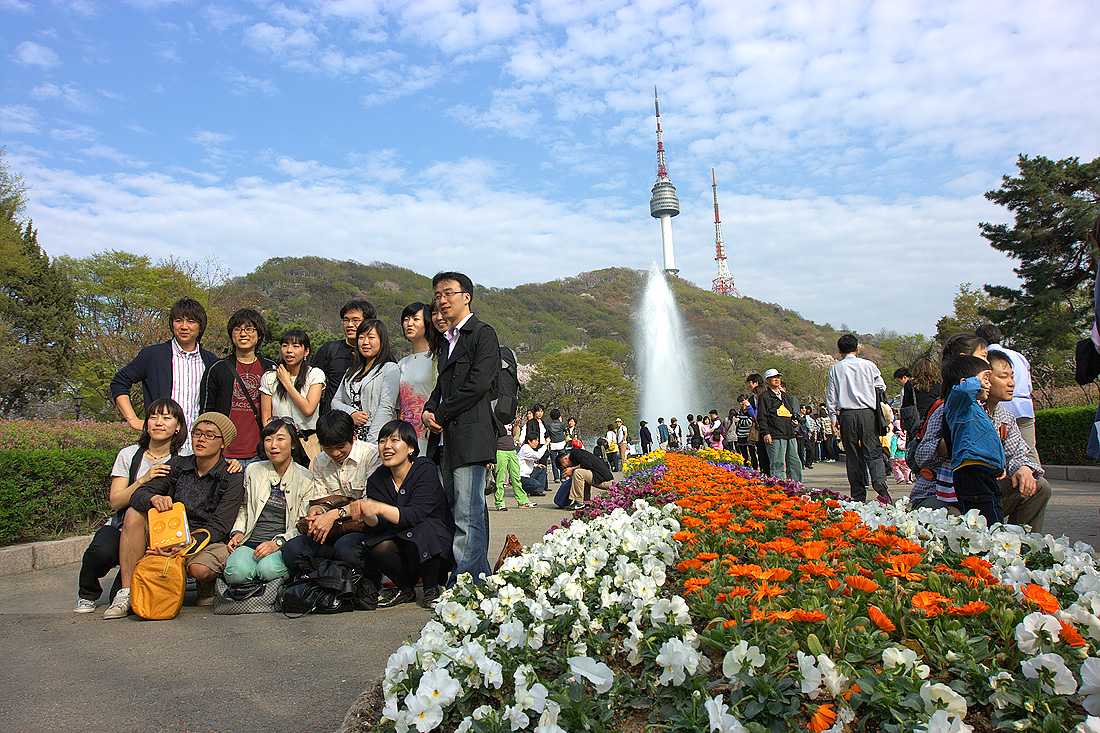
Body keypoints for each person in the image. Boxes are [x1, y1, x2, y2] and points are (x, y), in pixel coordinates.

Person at [104, 412, 245, 618]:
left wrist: (184, 545)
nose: (201, 439)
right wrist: (153, 498)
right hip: (167, 533)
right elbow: (138, 495)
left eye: (209, 435)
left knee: (199, 569)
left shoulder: (231, 475)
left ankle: (206, 585)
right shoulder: (177, 465)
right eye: (197, 433)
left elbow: (220, 525)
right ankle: (126, 592)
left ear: (223, 443)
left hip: (204, 540)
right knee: (134, 514)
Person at [422, 271, 501, 585]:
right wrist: (429, 409)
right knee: (459, 512)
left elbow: (478, 384)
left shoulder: (482, 333)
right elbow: (441, 386)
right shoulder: (447, 341)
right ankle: (476, 580)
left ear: (466, 297)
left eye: (448, 293)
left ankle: (463, 583)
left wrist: (441, 413)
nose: (442, 300)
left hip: (471, 437)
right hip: (449, 439)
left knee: (468, 513)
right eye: (438, 295)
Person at [74, 398, 186, 613]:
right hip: (121, 525)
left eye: (166, 418)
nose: (159, 423)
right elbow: (116, 502)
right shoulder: (129, 454)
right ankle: (87, 593)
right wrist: (143, 479)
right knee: (99, 551)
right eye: (153, 417)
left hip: (159, 532)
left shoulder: (185, 458)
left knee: (125, 597)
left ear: (177, 426)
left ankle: (123, 588)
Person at [344, 420, 454, 609]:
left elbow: (414, 515)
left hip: (435, 546)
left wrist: (379, 507)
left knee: (421, 531)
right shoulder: (377, 479)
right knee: (376, 545)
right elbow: (379, 524)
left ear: (411, 448)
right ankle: (405, 588)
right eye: (382, 441)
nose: (387, 446)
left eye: (394, 440)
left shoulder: (424, 469)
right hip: (402, 541)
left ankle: (432, 587)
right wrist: (367, 514)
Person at [110, 298, 217, 455]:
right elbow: (119, 382)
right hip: (161, 447)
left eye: (191, 321)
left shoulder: (211, 361)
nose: (184, 326)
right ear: (172, 324)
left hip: (199, 449)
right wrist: (133, 420)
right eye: (178, 320)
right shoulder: (153, 355)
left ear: (200, 326)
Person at [279, 411, 373, 574]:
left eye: (340, 447)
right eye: (329, 448)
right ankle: (325, 579)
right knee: (292, 549)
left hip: (362, 529)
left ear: (353, 436)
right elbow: (321, 499)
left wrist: (334, 515)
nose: (335, 453)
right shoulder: (320, 460)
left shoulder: (371, 455)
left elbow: (371, 504)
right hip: (333, 529)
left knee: (345, 548)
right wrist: (317, 510)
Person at [224, 419, 314, 585]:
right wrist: (238, 531)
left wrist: (278, 543)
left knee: (269, 570)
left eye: (280, 439)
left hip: (282, 544)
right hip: (251, 541)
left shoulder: (305, 478)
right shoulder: (253, 470)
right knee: (236, 572)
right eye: (268, 439)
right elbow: (244, 507)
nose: (273, 445)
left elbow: (302, 524)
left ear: (293, 444)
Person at [199, 308, 276, 466]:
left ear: (259, 334)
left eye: (249, 329)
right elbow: (207, 411)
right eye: (237, 329)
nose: (243, 334)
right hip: (225, 454)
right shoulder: (217, 368)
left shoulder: (270, 368)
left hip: (261, 453)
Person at [984, 350, 1051, 531]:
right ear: (985, 378)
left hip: (988, 490)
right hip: (956, 495)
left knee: (1038, 486)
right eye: (1003, 377)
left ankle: (1020, 543)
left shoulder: (1006, 417)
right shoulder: (961, 412)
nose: (1011, 383)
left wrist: (1023, 468)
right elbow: (922, 457)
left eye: (1012, 377)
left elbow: (1018, 453)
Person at [826, 334, 891, 503]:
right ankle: (879, 481)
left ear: (839, 350)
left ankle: (858, 495)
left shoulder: (836, 368)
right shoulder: (869, 365)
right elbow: (881, 386)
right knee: (873, 452)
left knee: (853, 455)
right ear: (857, 348)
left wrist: (833, 418)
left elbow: (832, 395)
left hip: (847, 415)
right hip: (868, 413)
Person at [943, 355, 1006, 526]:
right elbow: (964, 390)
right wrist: (977, 380)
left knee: (995, 517)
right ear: (966, 382)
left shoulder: (975, 409)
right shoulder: (958, 404)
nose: (989, 384)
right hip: (971, 474)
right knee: (986, 523)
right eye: (986, 378)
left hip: (984, 473)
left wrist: (999, 465)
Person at [331, 319, 400, 457]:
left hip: (376, 439)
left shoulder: (390, 368)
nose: (365, 342)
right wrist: (351, 414)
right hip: (350, 440)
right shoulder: (351, 372)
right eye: (361, 337)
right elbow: (335, 402)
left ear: (382, 341)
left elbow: (386, 407)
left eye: (371, 337)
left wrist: (371, 443)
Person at [976, 323, 1039, 466]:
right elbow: (1029, 386)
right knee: (1029, 451)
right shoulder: (1019, 356)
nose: (1010, 383)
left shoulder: (984, 359)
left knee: (999, 452)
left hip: (1001, 407)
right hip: (1024, 408)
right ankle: (1035, 478)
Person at [259, 329, 325, 460]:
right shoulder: (270, 377)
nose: (289, 350)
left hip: (309, 442)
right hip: (280, 443)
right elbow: (266, 416)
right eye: (285, 346)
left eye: (295, 346)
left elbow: (308, 409)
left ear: (306, 351)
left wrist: (286, 382)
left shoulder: (314, 375)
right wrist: (273, 439)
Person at [313, 299, 376, 416]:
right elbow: (310, 383)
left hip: (366, 420)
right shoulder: (329, 349)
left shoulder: (381, 355)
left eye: (355, 320)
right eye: (346, 320)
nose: (350, 325)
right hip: (333, 421)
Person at [397, 302, 442, 455]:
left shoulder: (437, 359)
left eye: (416, 319)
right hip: (405, 435)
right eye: (406, 319)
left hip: (429, 432)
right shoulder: (401, 364)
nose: (409, 324)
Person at [758, 370, 802, 482]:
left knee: (795, 463)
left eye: (778, 377)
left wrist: (794, 422)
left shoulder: (785, 396)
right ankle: (780, 487)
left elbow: (790, 412)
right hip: (775, 435)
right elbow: (762, 417)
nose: (777, 379)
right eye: (773, 377)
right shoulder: (765, 397)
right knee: (778, 463)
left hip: (789, 434)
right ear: (767, 380)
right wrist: (766, 433)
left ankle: (797, 486)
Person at [557, 446, 614, 511]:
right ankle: (586, 501)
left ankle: (579, 502)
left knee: (578, 473)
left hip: (606, 481)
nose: (568, 468)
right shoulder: (578, 456)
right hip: (605, 480)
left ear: (565, 458)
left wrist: (572, 469)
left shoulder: (575, 453)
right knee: (582, 473)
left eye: (566, 466)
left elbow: (587, 464)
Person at [509, 427, 547, 508]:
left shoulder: (530, 448)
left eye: (537, 441)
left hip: (528, 474)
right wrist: (546, 445)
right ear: (529, 441)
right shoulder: (525, 448)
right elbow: (538, 456)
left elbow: (529, 461)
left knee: (542, 469)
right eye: (535, 441)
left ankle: (537, 491)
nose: (537, 443)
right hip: (521, 476)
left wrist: (537, 465)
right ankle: (521, 491)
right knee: (535, 484)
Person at [746, 373, 771, 476]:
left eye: (750, 383)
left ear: (756, 383)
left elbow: (757, 416)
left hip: (766, 431)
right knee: (761, 454)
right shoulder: (752, 398)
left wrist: (749, 407)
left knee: (768, 456)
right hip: (759, 432)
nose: (749, 385)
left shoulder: (766, 396)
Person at [732, 395, 757, 470]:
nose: (741, 404)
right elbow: (736, 422)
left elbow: (750, 422)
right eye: (740, 402)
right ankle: (746, 469)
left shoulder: (750, 410)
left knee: (752, 453)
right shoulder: (740, 411)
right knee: (744, 455)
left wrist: (740, 421)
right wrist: (741, 422)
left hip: (749, 435)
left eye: (742, 401)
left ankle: (755, 469)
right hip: (741, 435)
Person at [545, 409, 568, 481]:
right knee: (563, 460)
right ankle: (563, 477)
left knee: (554, 461)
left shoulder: (548, 425)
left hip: (553, 444)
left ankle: (556, 477)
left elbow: (547, 434)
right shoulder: (561, 424)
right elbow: (565, 431)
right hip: (561, 443)